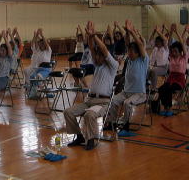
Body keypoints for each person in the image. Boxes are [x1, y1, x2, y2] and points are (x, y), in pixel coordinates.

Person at [64, 21, 118, 150]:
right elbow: (92, 48)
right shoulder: (97, 65)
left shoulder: (113, 66)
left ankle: (92, 140)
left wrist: (94, 35)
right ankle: (79, 137)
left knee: (89, 115)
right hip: (89, 100)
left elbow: (103, 50)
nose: (95, 58)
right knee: (68, 112)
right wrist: (90, 36)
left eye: (99, 56)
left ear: (104, 57)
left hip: (103, 102)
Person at [108, 20, 149, 135]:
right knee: (113, 101)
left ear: (138, 53)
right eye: (129, 51)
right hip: (126, 92)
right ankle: (112, 122)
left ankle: (126, 126)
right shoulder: (129, 60)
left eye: (132, 52)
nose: (129, 53)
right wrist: (127, 32)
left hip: (139, 94)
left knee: (127, 103)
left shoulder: (143, 60)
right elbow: (127, 43)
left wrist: (132, 32)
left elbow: (140, 45)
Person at [157, 23, 188, 117]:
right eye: (173, 51)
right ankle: (166, 107)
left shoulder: (184, 57)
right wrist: (171, 32)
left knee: (168, 89)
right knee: (161, 89)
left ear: (180, 52)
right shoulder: (171, 57)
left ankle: (169, 108)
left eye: (176, 51)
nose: (173, 53)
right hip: (171, 78)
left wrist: (177, 32)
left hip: (180, 80)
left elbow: (182, 43)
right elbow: (168, 43)